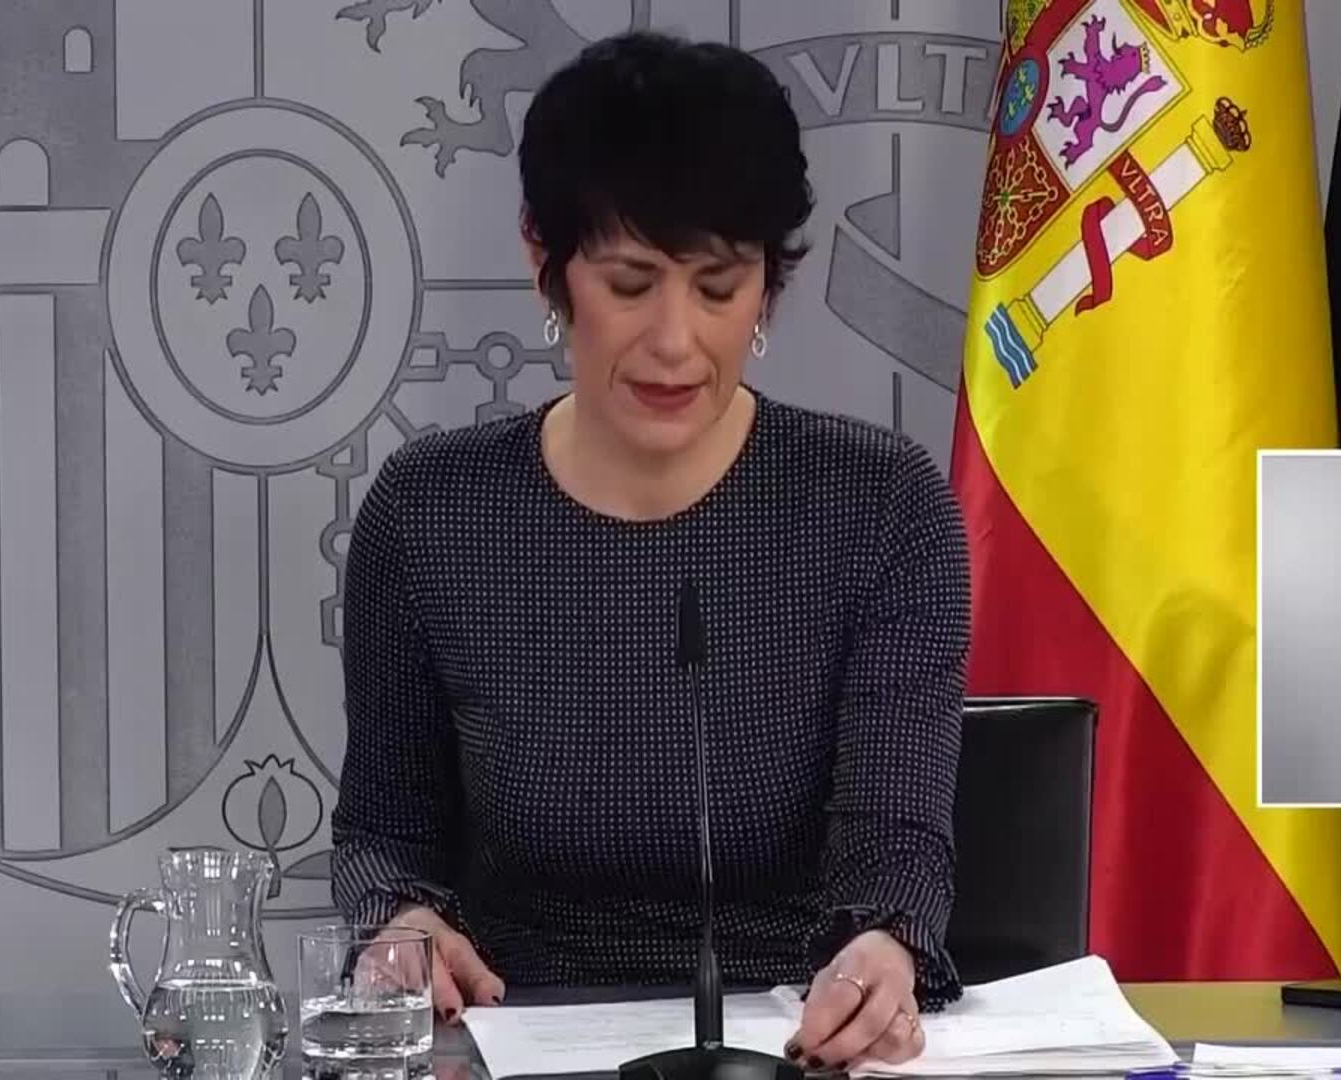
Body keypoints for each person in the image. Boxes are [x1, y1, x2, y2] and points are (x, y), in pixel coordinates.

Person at [328, 30, 971, 1071]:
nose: (675, 341)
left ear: (769, 287)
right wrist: (400, 922)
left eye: (718, 287)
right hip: (515, 1039)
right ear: (545, 262)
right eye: (630, 284)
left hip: (794, 1049)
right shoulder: (430, 513)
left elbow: (895, 846)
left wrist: (883, 949)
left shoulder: (880, 508)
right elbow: (384, 833)